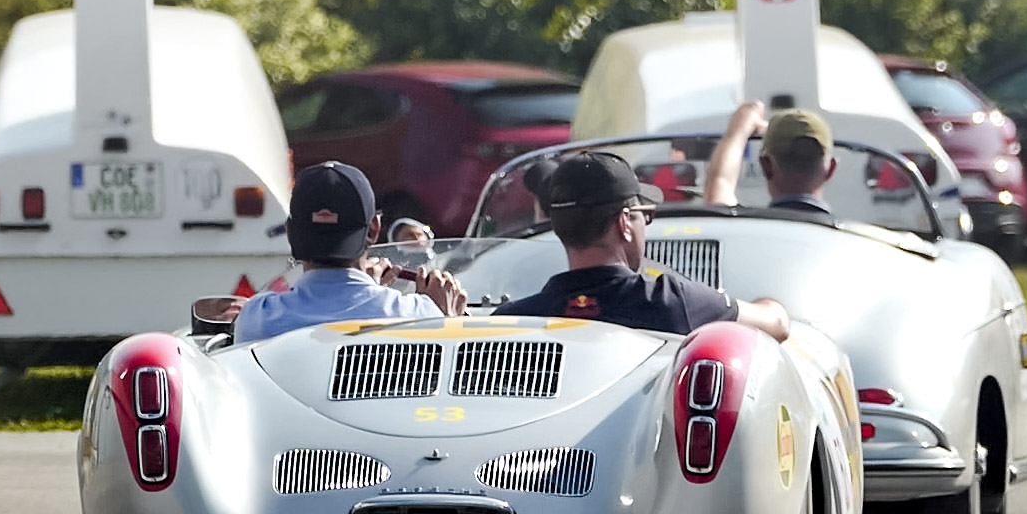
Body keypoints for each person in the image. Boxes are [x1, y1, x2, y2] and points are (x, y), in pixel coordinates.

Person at [495, 151, 792, 341]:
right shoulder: (672, 302)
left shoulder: (514, 322)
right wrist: (769, 300)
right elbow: (777, 325)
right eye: (644, 216)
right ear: (624, 223)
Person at [234, 161, 468, 343]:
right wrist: (448, 319)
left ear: (290, 232)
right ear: (374, 229)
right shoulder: (422, 314)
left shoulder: (257, 317)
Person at [701, 101, 838, 220]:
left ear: (766, 166)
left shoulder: (746, 230)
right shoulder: (849, 241)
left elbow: (720, 183)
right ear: (831, 169)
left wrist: (740, 127)